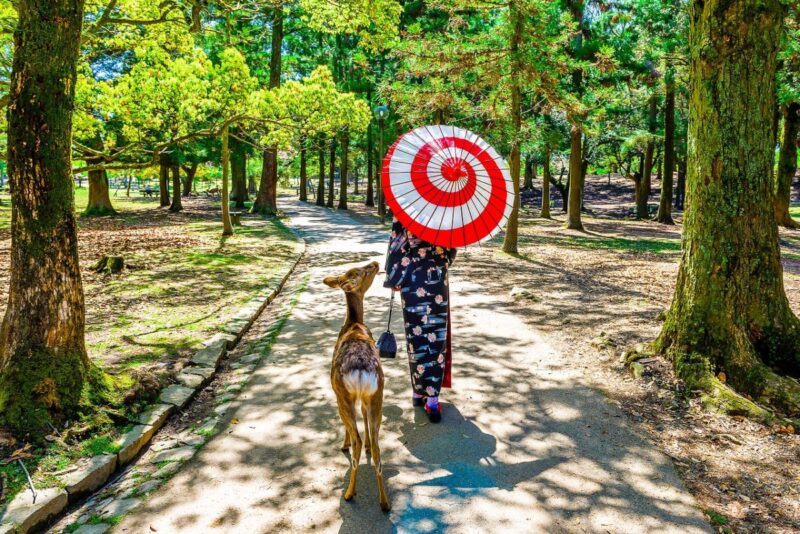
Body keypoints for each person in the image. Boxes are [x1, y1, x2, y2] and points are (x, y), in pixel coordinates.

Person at [384, 218, 456, 423]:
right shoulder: (448, 212)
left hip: (412, 279)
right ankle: (432, 400)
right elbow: (452, 249)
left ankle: (418, 392)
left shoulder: (405, 208)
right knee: (436, 337)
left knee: (416, 336)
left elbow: (396, 245)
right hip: (437, 279)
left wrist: (394, 278)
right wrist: (442, 258)